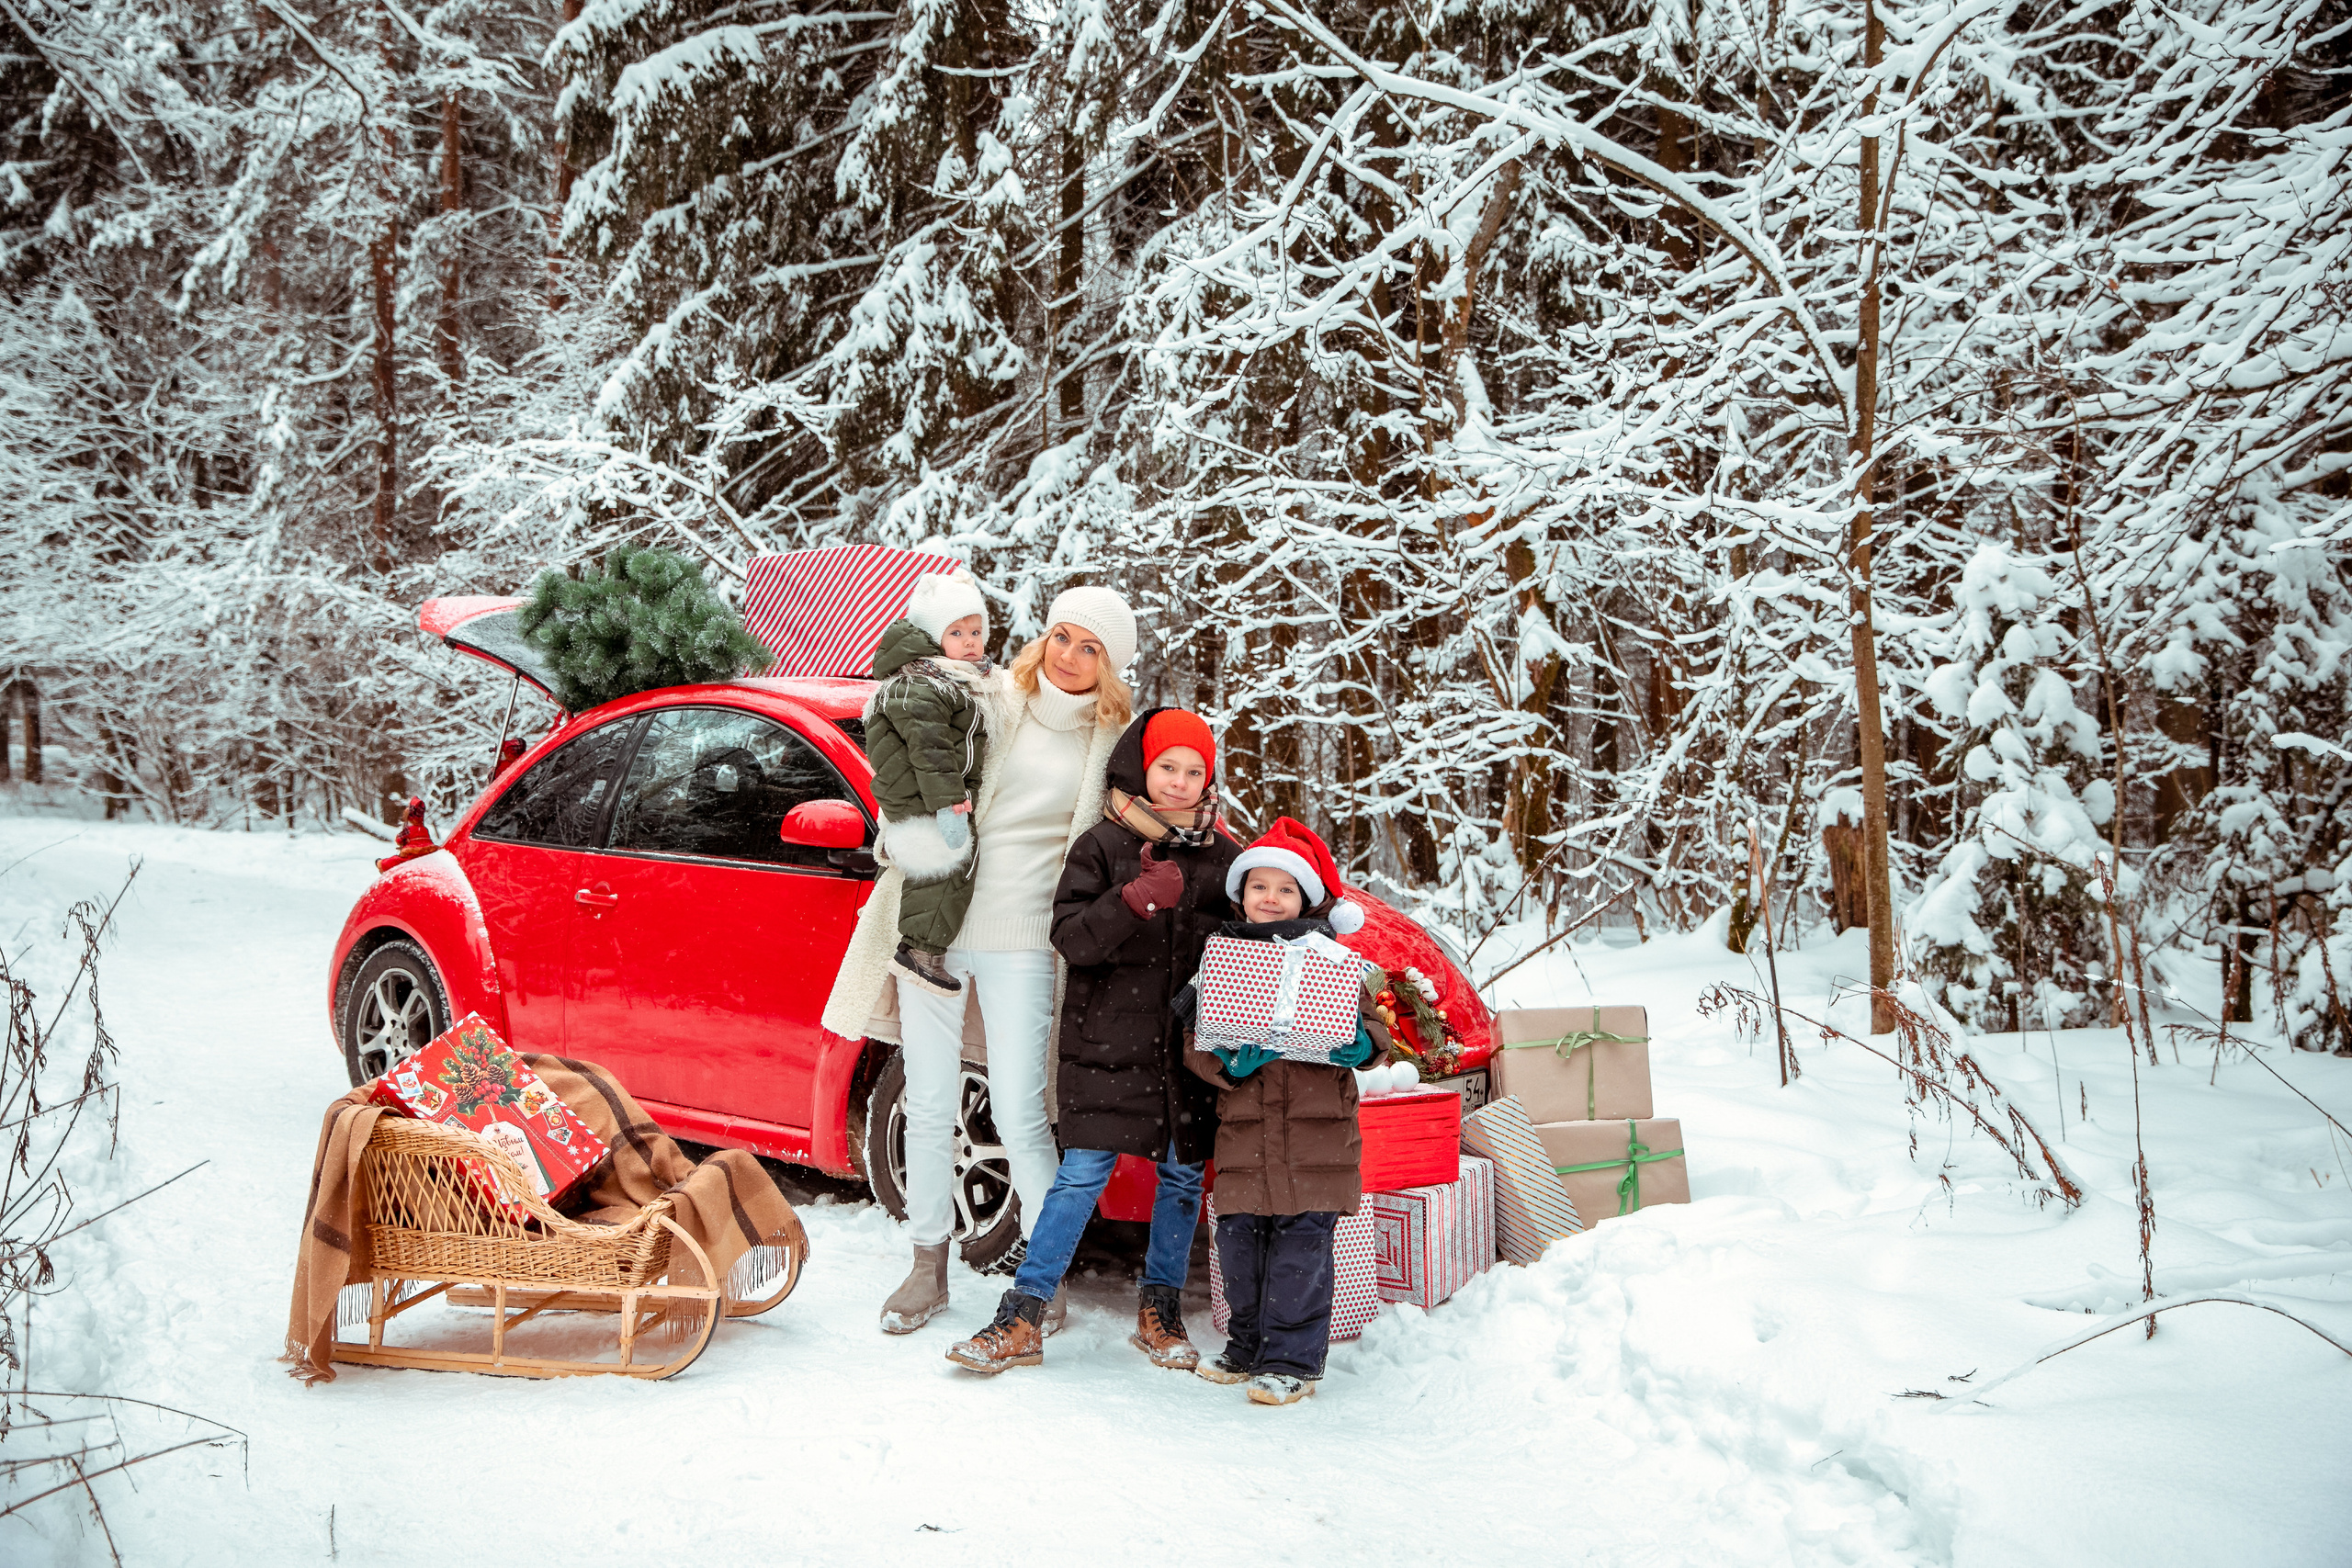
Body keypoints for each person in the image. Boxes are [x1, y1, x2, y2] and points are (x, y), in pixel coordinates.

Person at [820, 585, 1139, 1335]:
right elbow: (904, 740)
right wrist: (902, 836)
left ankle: (1042, 1269)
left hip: (1026, 939)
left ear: (1110, 666)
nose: (1069, 655)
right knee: (928, 1103)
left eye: (1090, 647)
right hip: (938, 923)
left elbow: (1147, 816)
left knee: (1023, 1112)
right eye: (1062, 636)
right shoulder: (991, 695)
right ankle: (927, 1263)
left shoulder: (1110, 739)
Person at [944, 708, 1239, 1375]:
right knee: (1078, 1178)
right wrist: (1134, 897)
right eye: (1168, 767)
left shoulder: (1225, 858)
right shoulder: (1103, 846)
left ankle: (1157, 1311)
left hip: (1187, 1054)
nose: (1181, 782)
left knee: (1183, 1177)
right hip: (1106, 1044)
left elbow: (1255, 939)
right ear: (1141, 768)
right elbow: (1071, 938)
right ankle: (1023, 1313)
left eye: (1195, 770)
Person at [1182, 818, 1384, 1406]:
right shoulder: (1221, 959)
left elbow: (1374, 1031)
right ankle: (1245, 1346)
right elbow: (1192, 1041)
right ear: (1241, 895)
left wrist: (1363, 1045)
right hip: (1247, 1135)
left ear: (1309, 898)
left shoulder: (1333, 959)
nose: (1270, 898)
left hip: (1317, 1139)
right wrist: (1224, 1065)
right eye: (1258, 887)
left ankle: (1292, 1361)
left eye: (1285, 888)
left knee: (1301, 1251)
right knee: (1240, 1242)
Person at [862, 569, 995, 998]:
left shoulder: (946, 678)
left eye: (976, 630)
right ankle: (919, 952)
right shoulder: (920, 684)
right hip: (922, 793)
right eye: (957, 632)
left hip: (928, 790)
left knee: (949, 867)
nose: (971, 641)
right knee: (946, 867)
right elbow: (931, 748)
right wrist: (949, 804)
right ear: (931, 636)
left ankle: (924, 949)